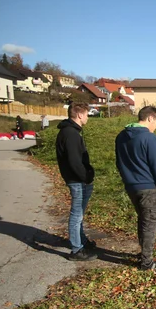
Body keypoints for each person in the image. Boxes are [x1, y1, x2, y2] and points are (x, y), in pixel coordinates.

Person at [115, 106, 156, 270]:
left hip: (132, 187)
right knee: (150, 224)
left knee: (143, 220)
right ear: (150, 118)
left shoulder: (121, 136)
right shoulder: (149, 138)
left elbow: (119, 163)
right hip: (148, 188)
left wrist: (128, 179)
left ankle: (144, 255)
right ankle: (147, 263)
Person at [55, 102, 97, 261]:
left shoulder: (71, 132)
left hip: (78, 179)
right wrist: (85, 176)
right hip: (77, 180)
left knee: (79, 214)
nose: (87, 117)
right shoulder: (70, 134)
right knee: (76, 214)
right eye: (86, 114)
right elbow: (74, 161)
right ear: (79, 114)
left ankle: (81, 241)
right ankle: (76, 249)